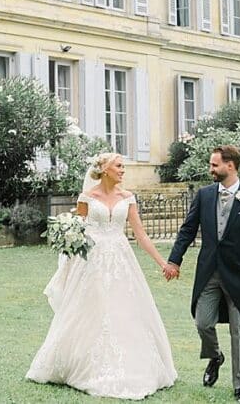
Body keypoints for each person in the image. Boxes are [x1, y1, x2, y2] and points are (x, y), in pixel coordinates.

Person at [26, 152, 177, 400]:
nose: (123, 170)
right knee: (91, 310)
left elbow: (140, 235)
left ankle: (131, 365)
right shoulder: (87, 197)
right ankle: (81, 362)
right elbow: (78, 229)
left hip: (120, 261)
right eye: (119, 166)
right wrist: (68, 245)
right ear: (105, 169)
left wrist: (163, 263)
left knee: (124, 310)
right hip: (92, 262)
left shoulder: (128, 198)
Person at [164, 145, 240, 402]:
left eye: (214, 165)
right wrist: (174, 261)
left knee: (239, 331)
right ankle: (215, 356)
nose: (210, 169)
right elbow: (187, 231)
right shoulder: (204, 195)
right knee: (202, 322)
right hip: (208, 271)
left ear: (230, 166)